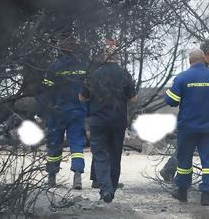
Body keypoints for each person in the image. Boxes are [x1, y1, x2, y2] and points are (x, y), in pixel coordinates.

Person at [161, 39, 209, 186]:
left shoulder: (205, 68)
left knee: (188, 147)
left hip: (193, 120)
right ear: (208, 53)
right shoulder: (203, 68)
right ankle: (208, 178)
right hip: (200, 118)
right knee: (203, 148)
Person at [79, 39, 137, 203]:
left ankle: (106, 189)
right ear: (117, 57)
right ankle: (111, 187)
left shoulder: (94, 74)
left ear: (103, 56)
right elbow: (133, 99)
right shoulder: (124, 74)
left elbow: (82, 97)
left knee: (100, 155)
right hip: (118, 122)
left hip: (98, 122)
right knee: (115, 156)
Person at [37, 36, 88, 189]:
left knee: (54, 143)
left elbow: (46, 91)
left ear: (60, 48)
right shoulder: (83, 66)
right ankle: (77, 177)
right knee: (77, 144)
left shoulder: (54, 67)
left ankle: (51, 178)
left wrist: (42, 111)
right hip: (77, 112)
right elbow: (89, 89)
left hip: (56, 112)